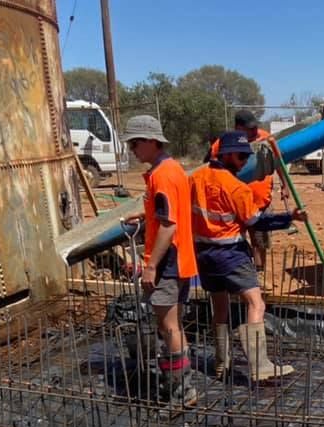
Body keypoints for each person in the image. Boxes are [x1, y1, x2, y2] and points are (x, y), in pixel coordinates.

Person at [190, 130, 306, 382]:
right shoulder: (236, 188)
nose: (244, 162)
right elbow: (257, 222)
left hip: (204, 255)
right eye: (241, 157)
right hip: (231, 254)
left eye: (246, 157)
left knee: (220, 307)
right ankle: (259, 366)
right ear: (226, 155)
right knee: (256, 304)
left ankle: (221, 362)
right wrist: (290, 217)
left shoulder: (196, 177)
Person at [121, 115, 199, 405]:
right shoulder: (173, 169)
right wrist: (145, 215)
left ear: (152, 141)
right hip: (181, 260)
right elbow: (169, 211)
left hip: (168, 262)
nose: (132, 149)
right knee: (174, 326)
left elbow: (169, 225)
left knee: (168, 328)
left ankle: (180, 391)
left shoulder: (162, 175)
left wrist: (151, 266)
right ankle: (182, 386)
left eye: (135, 143)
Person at [207, 110, 276, 273]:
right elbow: (210, 167)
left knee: (260, 239)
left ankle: (260, 271)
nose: (255, 131)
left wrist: (285, 186)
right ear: (239, 128)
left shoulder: (265, 137)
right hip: (235, 203)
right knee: (238, 238)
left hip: (261, 201)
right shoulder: (223, 143)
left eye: (255, 127)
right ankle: (245, 271)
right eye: (250, 128)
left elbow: (276, 161)